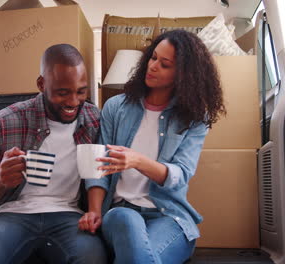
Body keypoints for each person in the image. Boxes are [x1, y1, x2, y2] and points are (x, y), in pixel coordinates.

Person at [78, 29, 226, 264]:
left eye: (165, 64)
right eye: (153, 57)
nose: (153, 65)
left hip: (169, 218)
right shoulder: (116, 107)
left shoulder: (194, 119)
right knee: (126, 219)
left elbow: (181, 174)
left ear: (183, 75)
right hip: (119, 212)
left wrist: (137, 161)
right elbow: (98, 168)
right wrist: (95, 211)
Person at [0, 44, 107, 264]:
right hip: (11, 214)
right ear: (41, 84)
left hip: (68, 215)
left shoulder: (93, 119)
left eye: (81, 91)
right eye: (62, 92)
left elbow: (100, 173)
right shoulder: (7, 120)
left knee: (92, 257)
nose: (73, 102)